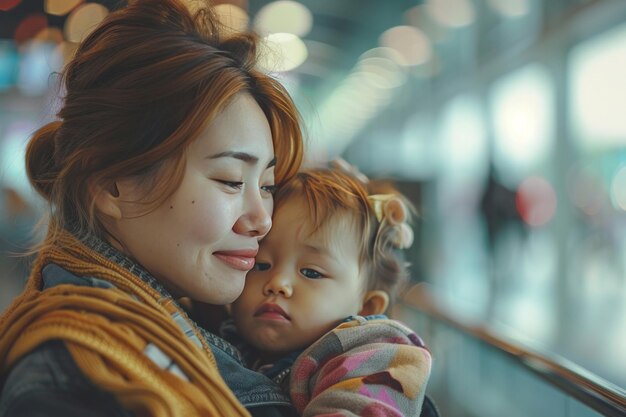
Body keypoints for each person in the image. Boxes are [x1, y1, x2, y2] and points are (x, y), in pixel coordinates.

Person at [0, 0, 304, 416]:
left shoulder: (210, 324)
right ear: (111, 186)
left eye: (266, 185)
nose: (262, 219)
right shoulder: (80, 377)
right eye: (231, 180)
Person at [225, 166, 432, 416]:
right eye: (261, 265)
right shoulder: (220, 335)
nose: (277, 282)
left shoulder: (376, 357)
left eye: (311, 272)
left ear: (366, 307)